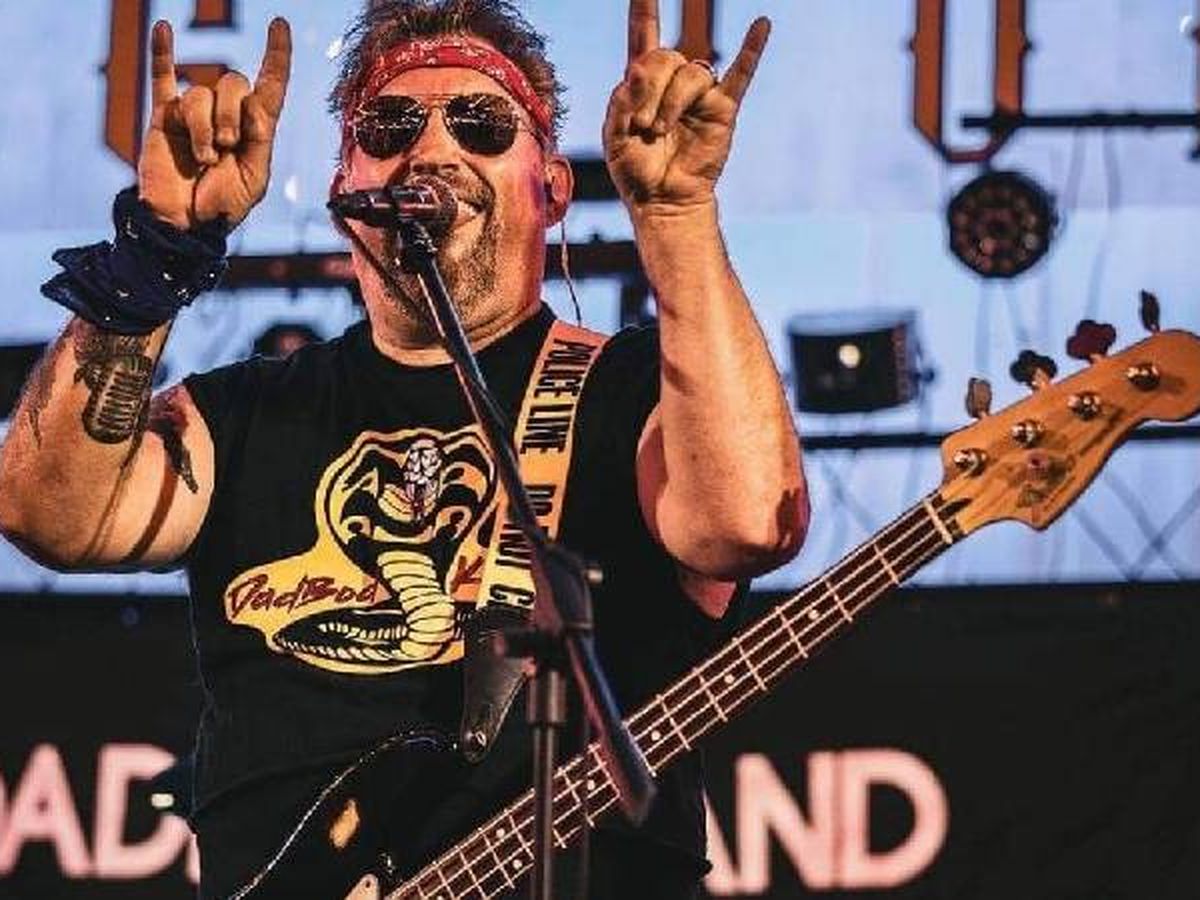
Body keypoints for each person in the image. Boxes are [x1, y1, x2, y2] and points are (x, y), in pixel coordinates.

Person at [0, 1, 808, 896]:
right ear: (346, 191)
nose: (432, 150)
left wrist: (676, 215)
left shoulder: (629, 392)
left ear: (551, 187)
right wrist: (158, 252)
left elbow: (748, 524)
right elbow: (49, 516)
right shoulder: (247, 412)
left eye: (481, 123)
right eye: (389, 127)